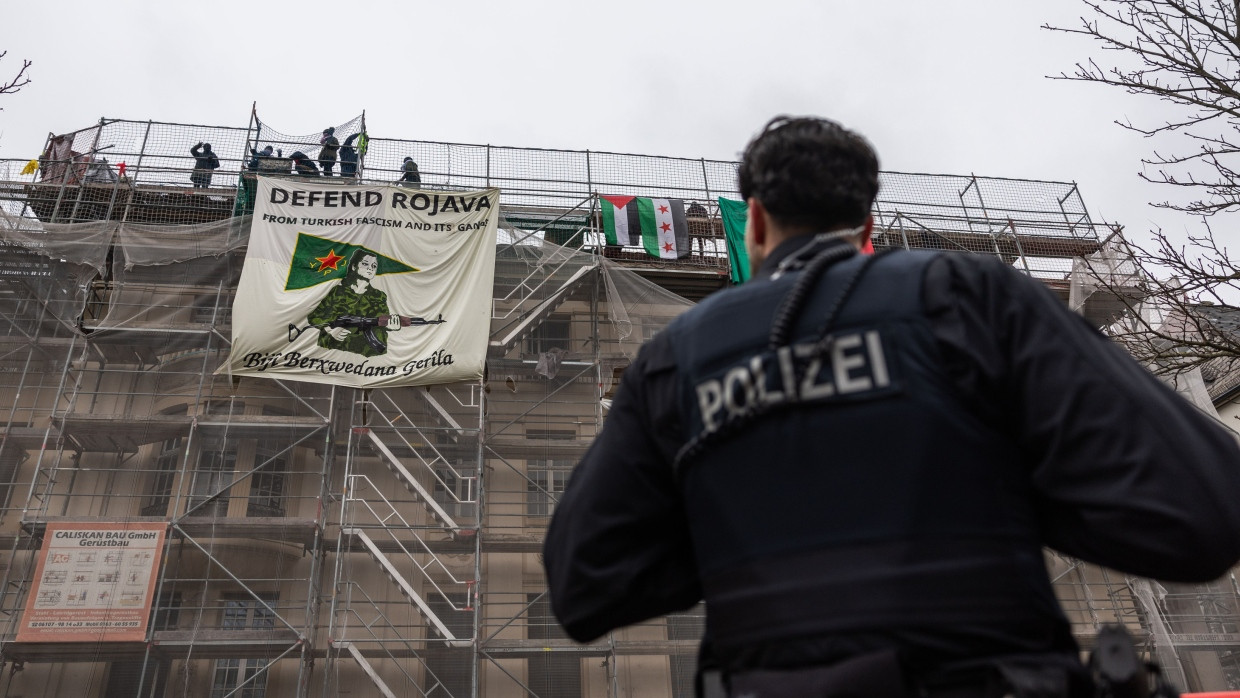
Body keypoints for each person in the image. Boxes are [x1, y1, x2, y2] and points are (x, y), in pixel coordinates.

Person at [543, 115, 1240, 698]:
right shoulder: (970, 295)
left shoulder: (675, 357)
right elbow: (1205, 508)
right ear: (867, 221)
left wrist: (742, 529)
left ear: (753, 221)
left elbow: (584, 583)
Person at [305, 248, 400, 357]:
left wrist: (390, 326)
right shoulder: (337, 291)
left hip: (366, 353)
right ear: (354, 266)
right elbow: (314, 317)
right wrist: (330, 329)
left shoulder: (379, 296)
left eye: (374, 266)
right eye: (365, 264)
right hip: (334, 351)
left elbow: (382, 319)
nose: (370, 268)